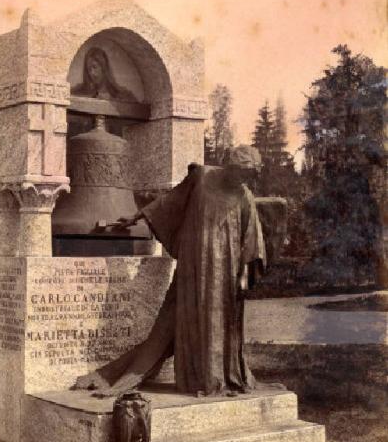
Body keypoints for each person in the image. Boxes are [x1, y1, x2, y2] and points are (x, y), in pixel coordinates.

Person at [73, 146, 277, 398]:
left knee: (219, 322)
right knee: (180, 320)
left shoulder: (244, 195)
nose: (243, 179)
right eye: (240, 172)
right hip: (194, 265)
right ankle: (190, 378)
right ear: (230, 166)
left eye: (248, 175)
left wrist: (244, 276)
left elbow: (251, 240)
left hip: (225, 272)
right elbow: (169, 201)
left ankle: (217, 378)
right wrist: (136, 217)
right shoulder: (202, 177)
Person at [71, 47, 138, 103]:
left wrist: (111, 100)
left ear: (103, 67)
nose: (92, 73)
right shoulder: (81, 91)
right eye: (89, 69)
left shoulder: (121, 94)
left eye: (94, 67)